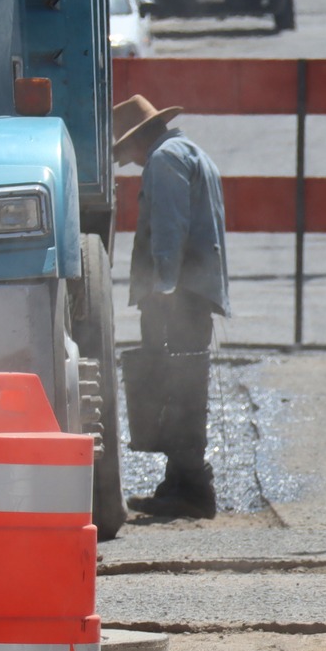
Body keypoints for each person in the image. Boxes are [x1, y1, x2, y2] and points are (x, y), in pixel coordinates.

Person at [115, 95, 229, 519]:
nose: (129, 160)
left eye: (126, 150)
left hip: (178, 294)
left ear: (138, 139)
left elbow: (169, 225)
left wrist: (163, 287)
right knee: (184, 383)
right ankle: (180, 481)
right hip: (195, 290)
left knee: (176, 385)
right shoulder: (189, 152)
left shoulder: (164, 161)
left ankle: (192, 487)